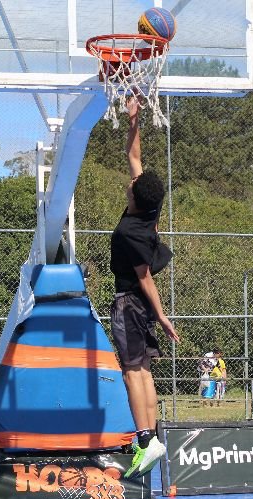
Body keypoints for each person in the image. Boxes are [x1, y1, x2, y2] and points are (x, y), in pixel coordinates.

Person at [110, 97, 179, 478]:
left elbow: (145, 278)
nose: (131, 180)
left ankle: (144, 440)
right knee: (145, 371)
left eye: (133, 183)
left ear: (135, 197)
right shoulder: (149, 204)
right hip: (139, 305)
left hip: (131, 303)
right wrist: (133, 119)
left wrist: (162, 316)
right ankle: (152, 438)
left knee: (131, 372)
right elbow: (133, 155)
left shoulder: (130, 232)